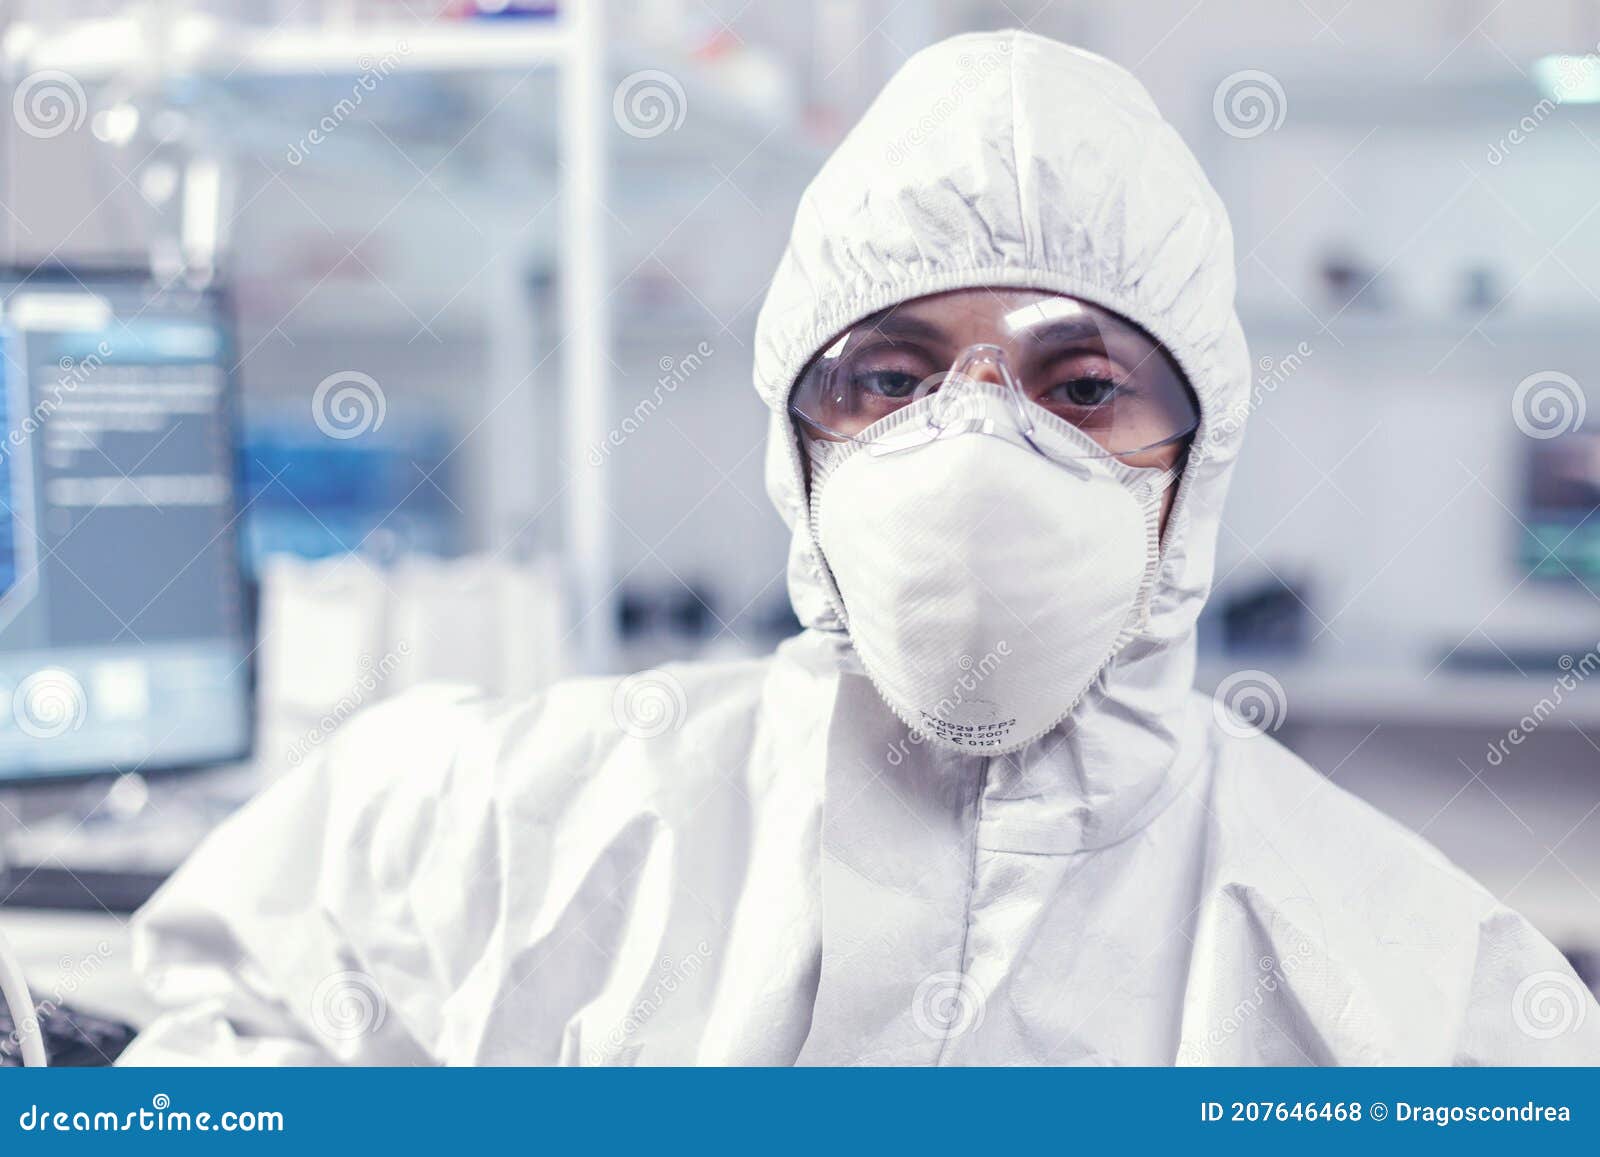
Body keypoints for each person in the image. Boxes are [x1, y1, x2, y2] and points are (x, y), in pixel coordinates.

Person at [119, 30, 1598, 1066]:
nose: (973, 458)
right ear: (799, 443)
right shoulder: (531, 824)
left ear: (1193, 464)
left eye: (1079, 390)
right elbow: (225, 1047)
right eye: (888, 381)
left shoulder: (1399, 978)